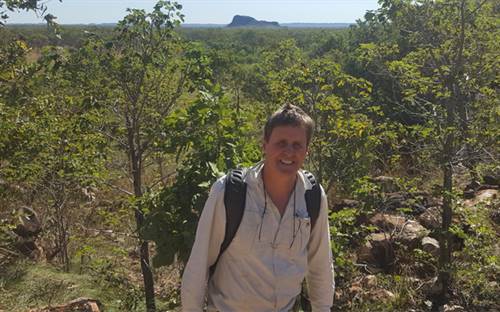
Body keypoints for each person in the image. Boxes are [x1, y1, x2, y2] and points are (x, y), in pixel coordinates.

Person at [181, 104, 334, 312]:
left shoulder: (313, 197)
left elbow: (320, 267)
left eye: (297, 145)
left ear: (307, 151)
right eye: (281, 143)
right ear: (265, 145)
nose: (289, 151)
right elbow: (198, 266)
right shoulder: (230, 192)